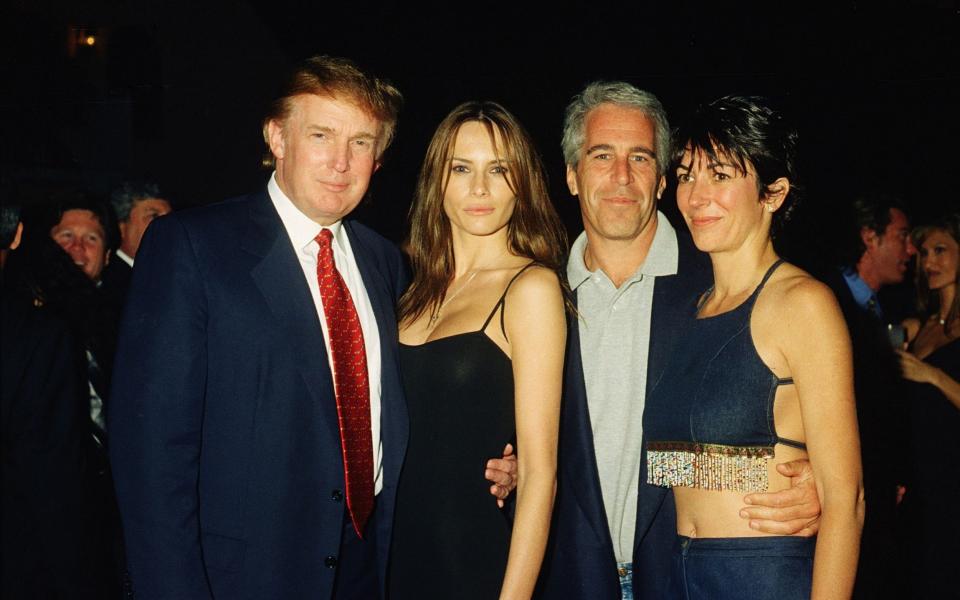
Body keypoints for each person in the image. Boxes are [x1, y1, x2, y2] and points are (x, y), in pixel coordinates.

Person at [108, 55, 515, 600]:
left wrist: (492, 458)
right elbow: (151, 456)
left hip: (372, 567)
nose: (341, 163)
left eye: (362, 142)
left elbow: (402, 409)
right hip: (242, 578)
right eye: (322, 135)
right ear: (277, 137)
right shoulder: (193, 248)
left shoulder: (383, 263)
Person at [537, 82, 823, 600]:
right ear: (573, 176)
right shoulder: (536, 296)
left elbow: (827, 428)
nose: (621, 177)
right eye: (602, 155)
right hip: (571, 579)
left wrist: (817, 482)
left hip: (689, 580)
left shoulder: (719, 288)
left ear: (663, 180)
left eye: (641, 158)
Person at [642, 96, 863, 599]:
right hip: (673, 576)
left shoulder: (803, 304)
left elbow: (845, 499)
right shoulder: (688, 309)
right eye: (685, 175)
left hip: (761, 575)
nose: (696, 196)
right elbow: (673, 463)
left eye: (719, 175)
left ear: (774, 193)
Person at [388, 102, 566, 599]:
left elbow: (538, 473)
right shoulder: (408, 292)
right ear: (436, 181)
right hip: (390, 562)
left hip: (472, 563)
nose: (480, 188)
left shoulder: (531, 288)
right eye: (461, 168)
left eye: (498, 170)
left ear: (522, 182)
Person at [1, 202, 98, 597]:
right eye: (65, 237)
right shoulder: (36, 334)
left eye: (91, 238)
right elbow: (51, 482)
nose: (75, 250)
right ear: (21, 236)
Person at [823, 193, 913, 599]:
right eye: (903, 236)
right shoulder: (830, 300)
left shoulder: (877, 308)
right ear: (870, 238)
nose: (910, 249)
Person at [896, 213, 960, 597]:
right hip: (920, 477)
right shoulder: (919, 326)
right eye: (923, 253)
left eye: (941, 251)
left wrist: (932, 375)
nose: (929, 262)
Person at [101, 181, 172, 308]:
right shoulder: (108, 283)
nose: (169, 228)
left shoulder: (172, 276)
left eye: (170, 219)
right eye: (154, 217)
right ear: (121, 228)